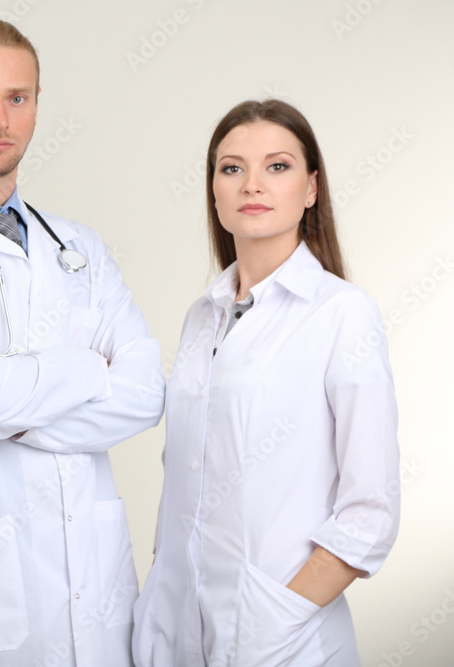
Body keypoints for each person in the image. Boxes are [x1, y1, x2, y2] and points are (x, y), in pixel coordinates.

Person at [0, 17, 165, 667]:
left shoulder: (78, 247)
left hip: (96, 589)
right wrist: (87, 368)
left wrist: (7, 396)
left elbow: (145, 392)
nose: (0, 119)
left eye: (18, 97)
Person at [131, 100, 400, 666]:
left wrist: (276, 620)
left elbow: (369, 511)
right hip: (178, 635)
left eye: (277, 167)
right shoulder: (201, 316)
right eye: (231, 168)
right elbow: (185, 477)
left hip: (284, 643)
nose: (252, 184)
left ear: (310, 189)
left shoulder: (341, 314)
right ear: (213, 190)